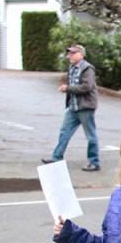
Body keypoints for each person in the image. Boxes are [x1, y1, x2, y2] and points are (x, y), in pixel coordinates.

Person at [43, 43, 101, 172]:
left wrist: (68, 88)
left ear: (81, 54)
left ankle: (94, 162)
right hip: (73, 106)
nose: (70, 55)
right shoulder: (72, 67)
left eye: (73, 53)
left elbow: (87, 87)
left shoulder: (87, 68)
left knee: (90, 135)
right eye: (70, 53)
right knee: (64, 132)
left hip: (85, 106)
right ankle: (56, 157)